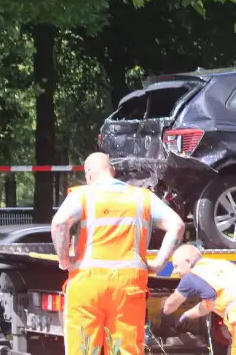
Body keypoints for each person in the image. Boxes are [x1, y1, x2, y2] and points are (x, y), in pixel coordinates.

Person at [52, 152, 186, 355]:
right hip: (128, 286)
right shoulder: (142, 197)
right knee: (126, 349)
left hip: (87, 283)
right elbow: (177, 225)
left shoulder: (82, 195)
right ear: (113, 171)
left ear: (88, 175)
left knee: (84, 349)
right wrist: (158, 263)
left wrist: (64, 260)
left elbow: (60, 223)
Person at [162, 244, 236, 355]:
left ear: (188, 261)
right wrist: (187, 314)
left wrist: (163, 307)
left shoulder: (192, 275)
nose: (175, 271)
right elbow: (209, 305)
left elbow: (171, 305)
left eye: (176, 266)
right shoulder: (218, 264)